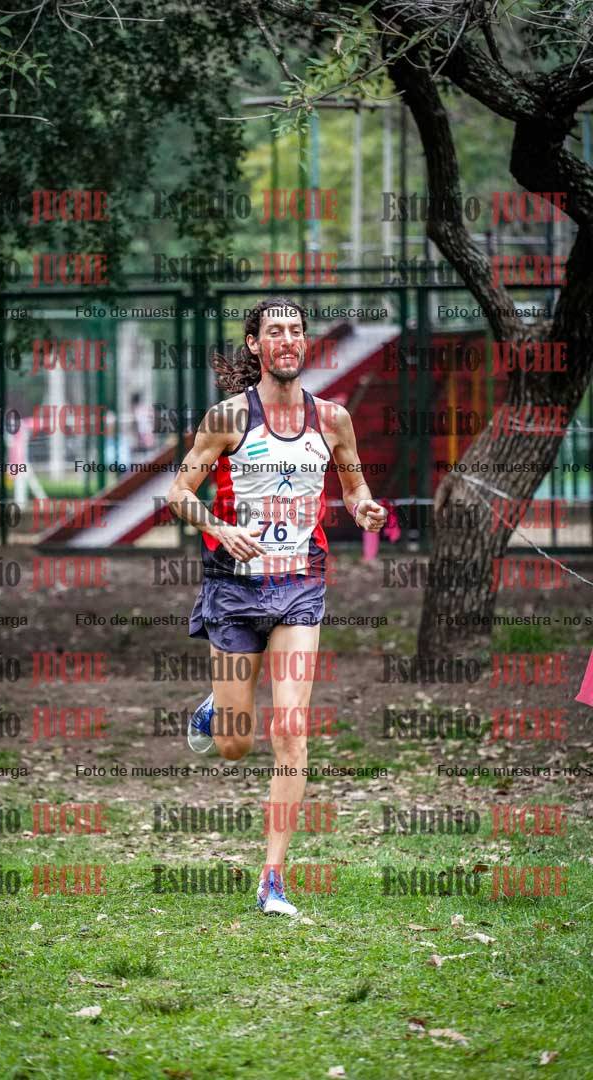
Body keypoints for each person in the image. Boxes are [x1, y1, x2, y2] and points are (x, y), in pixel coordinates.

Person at [166, 297, 386, 916]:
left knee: (290, 730)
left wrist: (364, 508)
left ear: (305, 342)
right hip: (233, 588)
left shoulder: (333, 419)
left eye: (296, 331)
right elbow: (178, 492)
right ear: (256, 344)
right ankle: (218, 708)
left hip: (299, 585)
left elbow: (354, 485)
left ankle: (272, 878)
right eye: (275, 331)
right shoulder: (228, 418)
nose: (287, 340)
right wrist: (218, 525)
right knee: (235, 745)